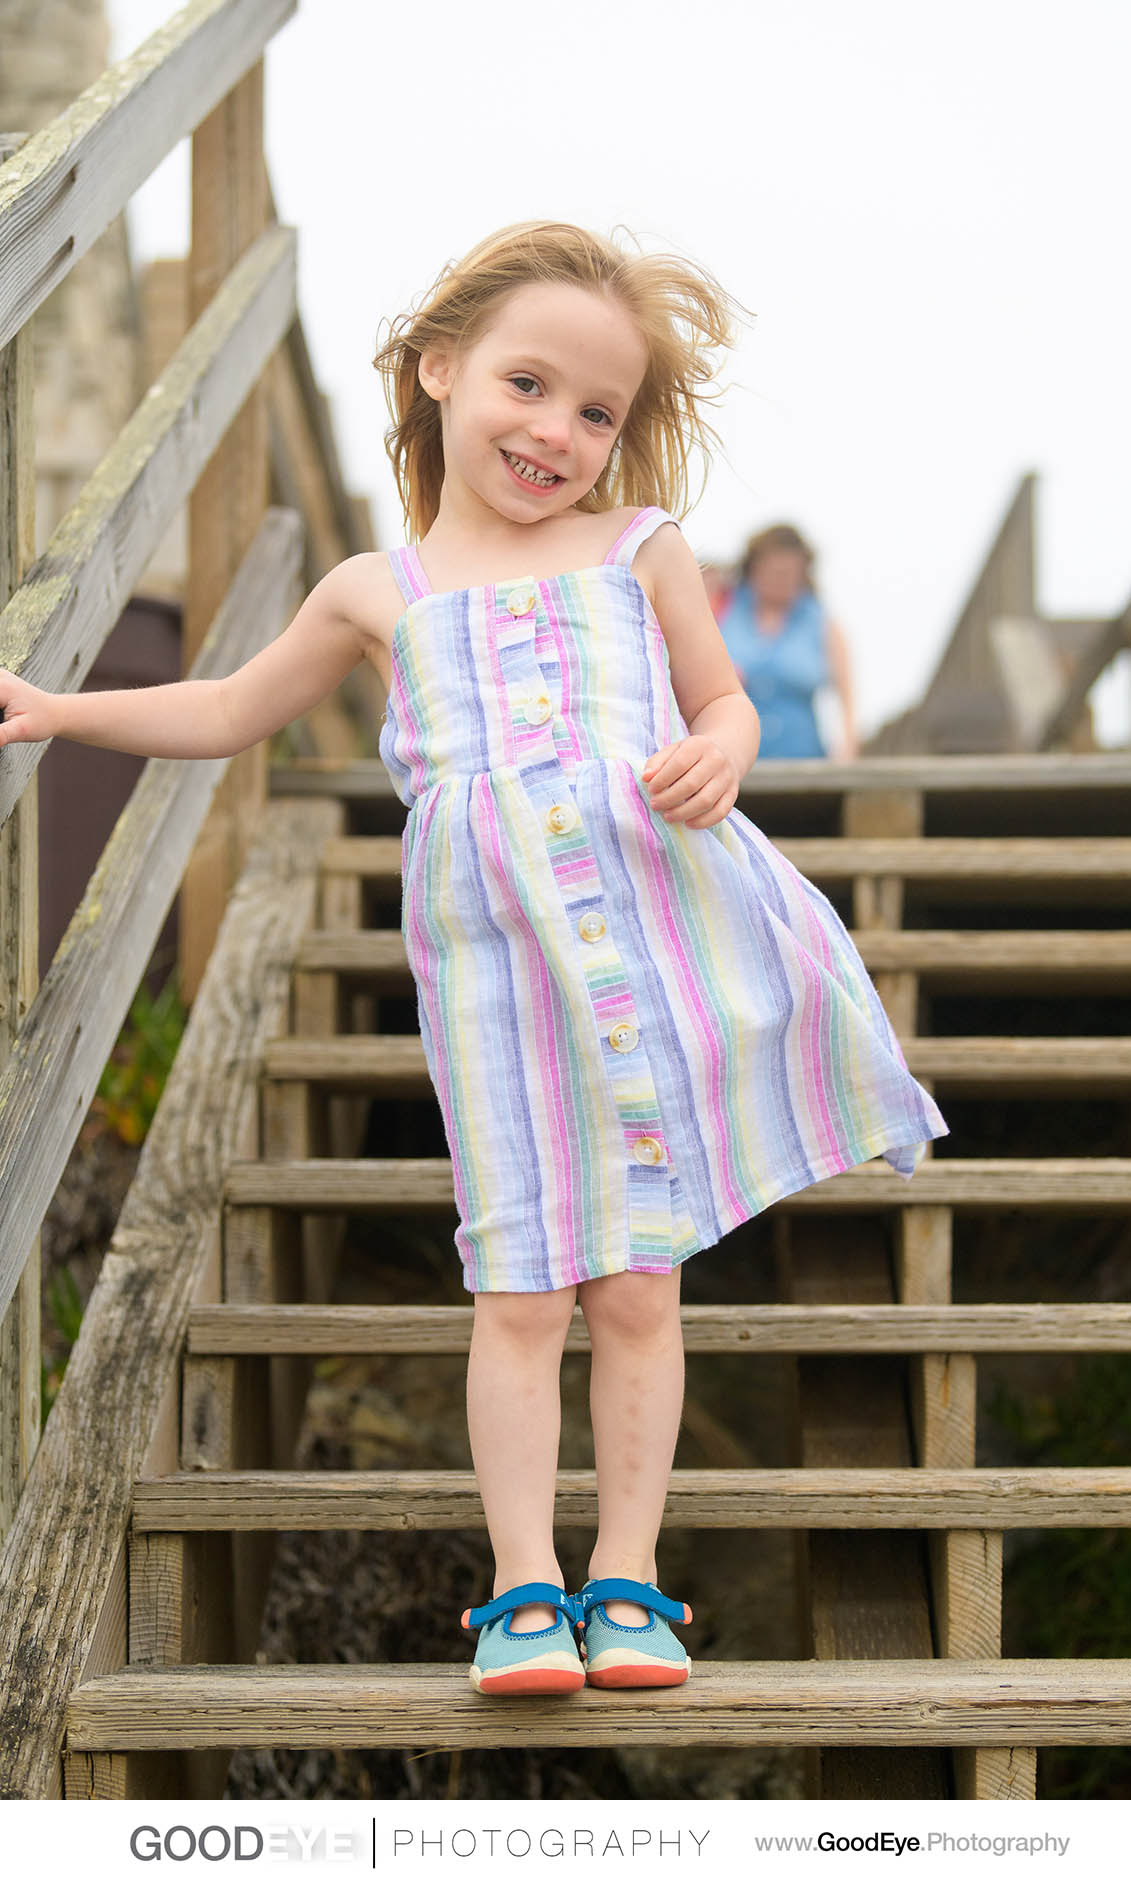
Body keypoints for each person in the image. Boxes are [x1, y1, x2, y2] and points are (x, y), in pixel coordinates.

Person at [0, 219, 948, 1699]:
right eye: (528, 385)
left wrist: (721, 745)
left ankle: (627, 1581)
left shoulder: (639, 548)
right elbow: (231, 706)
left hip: (648, 941)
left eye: (597, 412)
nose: (558, 432)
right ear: (438, 369)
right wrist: (60, 714)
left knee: (637, 1286)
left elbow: (725, 704)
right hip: (495, 980)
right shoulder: (378, 590)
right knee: (519, 1288)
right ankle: (521, 1590)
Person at [720, 523, 859, 759]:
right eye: (775, 572)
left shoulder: (822, 623)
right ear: (754, 569)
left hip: (803, 761)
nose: (782, 581)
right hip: (734, 761)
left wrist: (847, 747)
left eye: (790, 573)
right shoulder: (721, 613)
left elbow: (846, 697)